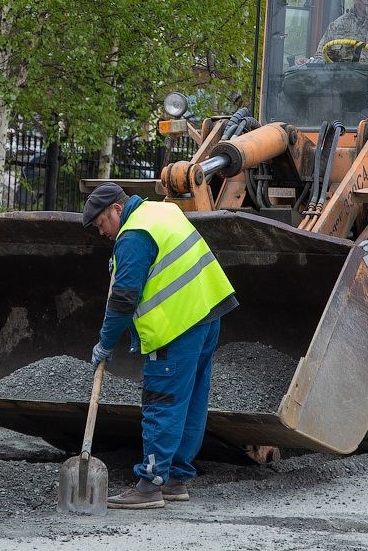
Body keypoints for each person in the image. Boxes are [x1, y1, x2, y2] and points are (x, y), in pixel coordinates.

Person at [83, 183, 238, 509]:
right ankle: (175, 479)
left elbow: (124, 298)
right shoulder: (162, 211)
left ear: (115, 209)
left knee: (162, 401)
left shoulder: (134, 235)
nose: (103, 234)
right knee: (191, 400)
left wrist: (105, 343)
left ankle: (150, 484)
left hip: (176, 327)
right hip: (207, 315)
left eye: (101, 225)